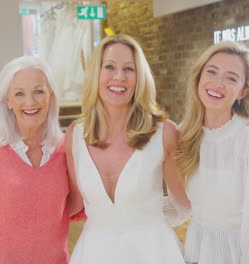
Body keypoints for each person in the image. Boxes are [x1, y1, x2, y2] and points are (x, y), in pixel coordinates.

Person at [65, 34, 190, 264]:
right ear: (96, 73)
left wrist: (147, 217)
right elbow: (73, 204)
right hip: (93, 254)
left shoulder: (163, 133)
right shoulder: (74, 135)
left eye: (129, 69)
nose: (119, 77)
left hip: (154, 254)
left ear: (139, 77)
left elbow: (183, 202)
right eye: (110, 67)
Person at [0, 56, 73, 264]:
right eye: (19, 94)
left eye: (39, 91)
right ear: (7, 100)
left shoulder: (67, 148)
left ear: (51, 96)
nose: (30, 102)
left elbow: (79, 209)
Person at [176, 41, 249, 264]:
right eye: (212, 72)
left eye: (231, 78)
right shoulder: (185, 133)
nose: (218, 83)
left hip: (238, 256)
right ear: (198, 78)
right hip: (196, 252)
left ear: (243, 91)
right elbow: (183, 207)